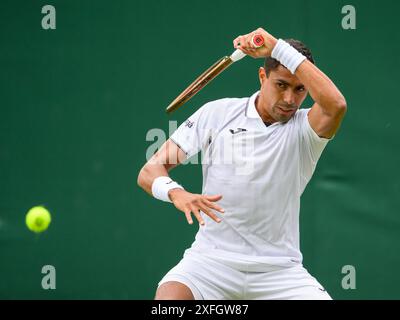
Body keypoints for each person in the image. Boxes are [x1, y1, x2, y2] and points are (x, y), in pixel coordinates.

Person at [137, 27, 347, 300]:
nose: (289, 99)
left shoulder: (307, 128)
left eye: (299, 90)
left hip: (280, 273)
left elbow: (336, 105)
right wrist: (176, 192)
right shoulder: (218, 113)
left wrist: (276, 48)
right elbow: (149, 171)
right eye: (281, 85)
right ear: (262, 76)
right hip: (209, 263)